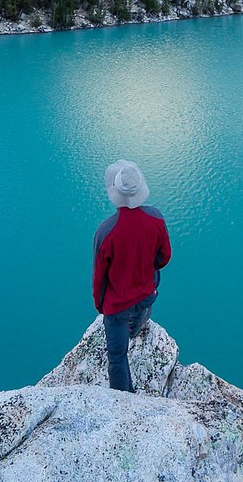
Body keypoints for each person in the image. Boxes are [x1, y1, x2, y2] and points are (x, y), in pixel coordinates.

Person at [92, 159, 171, 392]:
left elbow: (99, 279)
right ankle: (136, 327)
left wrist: (101, 305)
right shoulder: (156, 218)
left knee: (117, 358)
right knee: (140, 314)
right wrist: (146, 267)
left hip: (117, 306)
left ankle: (124, 399)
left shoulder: (106, 232)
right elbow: (164, 257)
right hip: (146, 293)